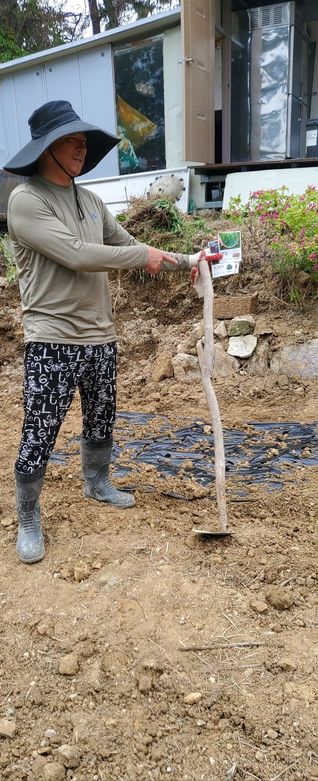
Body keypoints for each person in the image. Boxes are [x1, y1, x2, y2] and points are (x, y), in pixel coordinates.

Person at [4, 99, 204, 566]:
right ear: (46, 147)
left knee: (101, 418)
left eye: (83, 140)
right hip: (52, 339)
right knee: (40, 431)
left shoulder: (90, 201)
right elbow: (77, 254)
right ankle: (29, 514)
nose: (81, 146)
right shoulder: (25, 201)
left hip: (100, 336)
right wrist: (142, 257)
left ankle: (96, 482)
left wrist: (188, 262)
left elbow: (130, 246)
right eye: (71, 140)